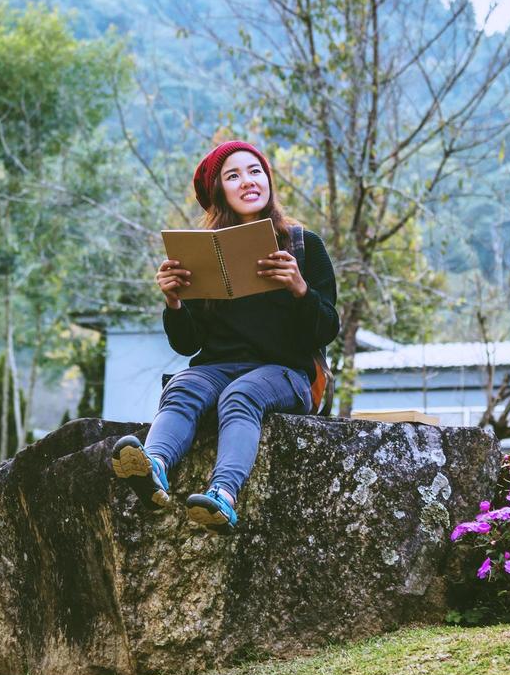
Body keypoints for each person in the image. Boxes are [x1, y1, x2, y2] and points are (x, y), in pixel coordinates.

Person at [108, 140, 340, 532]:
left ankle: (223, 496)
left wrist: (301, 289)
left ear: (267, 180)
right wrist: (174, 301)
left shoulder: (303, 245)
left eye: (255, 171)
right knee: (182, 387)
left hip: (286, 374)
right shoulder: (203, 254)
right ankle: (154, 468)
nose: (248, 181)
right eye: (234, 176)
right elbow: (188, 345)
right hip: (217, 367)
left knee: (241, 395)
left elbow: (327, 329)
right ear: (219, 192)